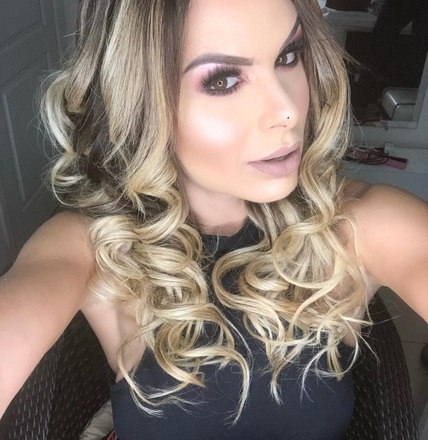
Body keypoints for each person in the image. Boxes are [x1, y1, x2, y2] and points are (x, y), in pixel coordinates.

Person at [0, 0, 427, 438]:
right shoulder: (93, 246)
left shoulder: (358, 224)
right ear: (139, 102)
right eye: (222, 80)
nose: (288, 110)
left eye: (288, 56)